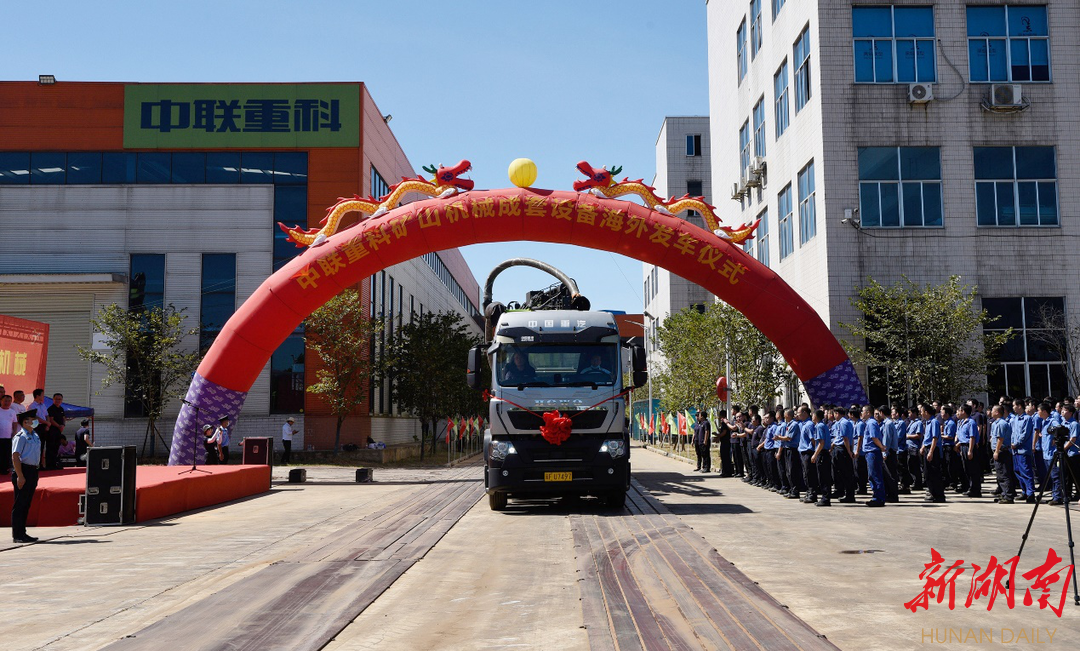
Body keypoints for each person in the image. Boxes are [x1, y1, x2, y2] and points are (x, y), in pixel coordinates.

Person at [10, 411, 42, 543]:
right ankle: (17, 535)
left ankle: (23, 532)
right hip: (23, 470)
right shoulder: (21, 436)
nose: (35, 421)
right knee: (20, 504)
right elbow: (15, 457)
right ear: (25, 422)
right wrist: (20, 476)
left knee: (26, 504)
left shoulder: (35, 435)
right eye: (32, 419)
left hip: (33, 470)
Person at [1010, 398, 1036, 503]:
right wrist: (1012, 443)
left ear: (1019, 406)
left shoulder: (1027, 419)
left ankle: (1030, 493)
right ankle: (1024, 491)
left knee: (1026, 471)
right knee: (1018, 471)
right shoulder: (1014, 419)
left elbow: (1025, 434)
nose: (1013, 407)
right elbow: (1013, 433)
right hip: (1015, 450)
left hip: (1023, 450)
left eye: (1014, 405)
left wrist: (1016, 444)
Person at [989, 405, 1016, 504]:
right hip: (998, 450)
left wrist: (996, 451)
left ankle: (1008, 496)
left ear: (997, 412)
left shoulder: (1001, 424)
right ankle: (1004, 494)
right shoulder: (995, 423)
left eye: (992, 410)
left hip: (1002, 451)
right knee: (1000, 474)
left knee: (1004, 474)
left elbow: (1001, 439)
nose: (991, 412)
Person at [862, 406, 887, 507]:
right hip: (870, 452)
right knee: (872, 475)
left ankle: (879, 498)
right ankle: (876, 496)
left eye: (863, 411)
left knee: (875, 475)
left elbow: (874, 437)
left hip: (873, 452)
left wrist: (881, 447)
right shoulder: (870, 422)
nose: (861, 413)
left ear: (868, 412)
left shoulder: (871, 423)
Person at [921, 403, 946, 503]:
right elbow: (926, 437)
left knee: (935, 473)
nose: (921, 413)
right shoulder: (927, 422)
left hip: (933, 449)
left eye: (922, 411)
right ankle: (932, 492)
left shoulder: (934, 422)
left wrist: (930, 452)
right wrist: (923, 447)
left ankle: (939, 495)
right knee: (927, 473)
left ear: (926, 412)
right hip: (927, 448)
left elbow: (935, 438)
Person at [956, 404, 982, 498]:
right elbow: (962, 437)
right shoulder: (961, 422)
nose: (958, 412)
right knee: (966, 468)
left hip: (969, 447)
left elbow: (972, 437)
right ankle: (970, 487)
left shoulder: (971, 422)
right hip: (962, 446)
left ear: (963, 411)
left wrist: (970, 451)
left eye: (960, 410)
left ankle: (976, 489)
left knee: (973, 469)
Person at [796, 406, 818, 503]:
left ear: (805, 412)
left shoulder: (809, 425)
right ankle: (809, 493)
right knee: (806, 474)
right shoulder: (804, 424)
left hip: (808, 452)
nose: (797, 414)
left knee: (810, 474)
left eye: (799, 412)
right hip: (803, 452)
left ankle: (812, 494)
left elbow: (813, 440)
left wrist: (814, 452)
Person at [45, 393, 65, 471]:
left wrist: (63, 425)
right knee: (51, 447)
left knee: (56, 447)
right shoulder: (51, 409)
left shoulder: (61, 409)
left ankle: (54, 464)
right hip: (52, 431)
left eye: (59, 399)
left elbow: (64, 418)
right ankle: (49, 465)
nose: (58, 401)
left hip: (59, 431)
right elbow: (51, 419)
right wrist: (58, 426)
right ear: (53, 399)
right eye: (56, 399)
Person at [0, 394, 17, 474]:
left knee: (7, 453)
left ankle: (6, 468)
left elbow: (15, 423)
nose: (7, 403)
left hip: (8, 436)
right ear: (1, 401)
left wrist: (14, 432)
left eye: (9, 401)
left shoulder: (12, 412)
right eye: (5, 401)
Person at [691, 407, 711, 473]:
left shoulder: (706, 423)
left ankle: (706, 467)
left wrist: (705, 440)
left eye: (699, 415)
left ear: (702, 416)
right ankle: (702, 467)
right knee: (702, 454)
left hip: (704, 441)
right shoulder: (700, 423)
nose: (698, 417)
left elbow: (706, 432)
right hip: (699, 442)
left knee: (706, 455)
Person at [715, 409, 734, 477]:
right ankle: (724, 471)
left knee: (726, 457)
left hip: (726, 442)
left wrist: (718, 436)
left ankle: (727, 472)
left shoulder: (725, 423)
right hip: (723, 441)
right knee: (723, 457)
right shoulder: (723, 423)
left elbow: (724, 432)